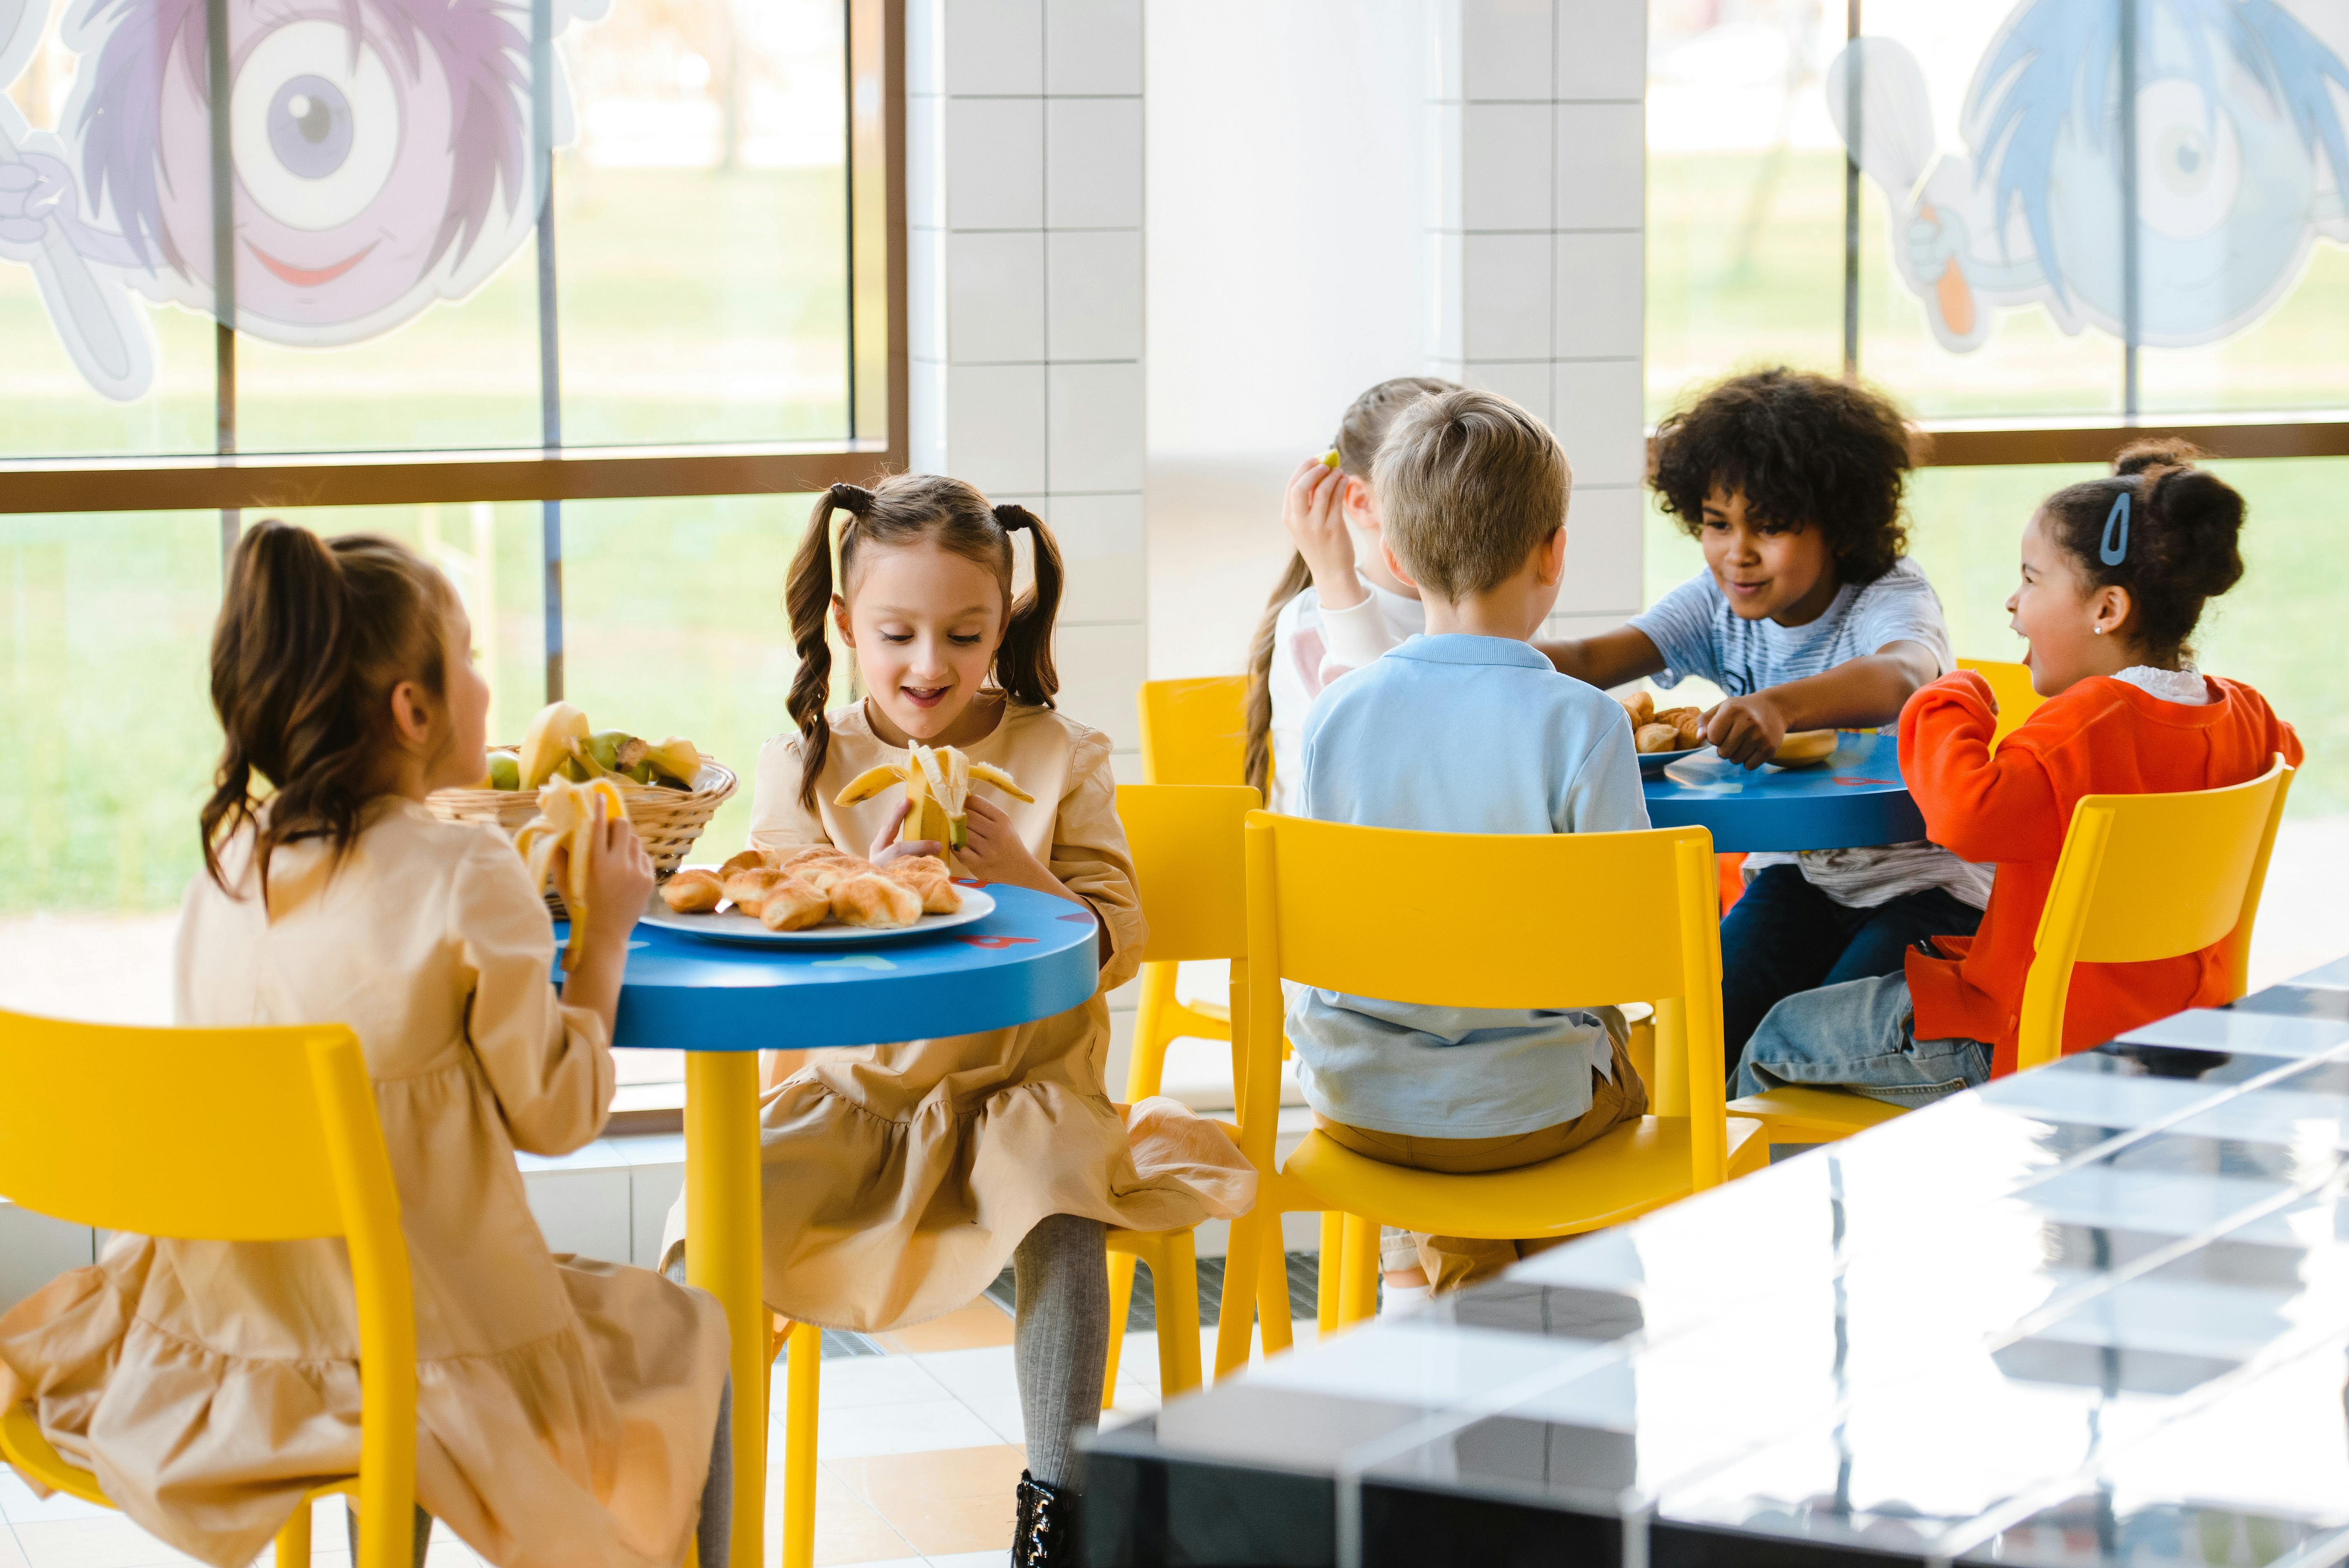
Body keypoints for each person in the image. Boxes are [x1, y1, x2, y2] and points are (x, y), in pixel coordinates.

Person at [0, 523, 733, 1568]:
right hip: (421, 1350)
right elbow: (559, 1114)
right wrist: (602, 935)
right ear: (414, 709)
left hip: (238, 1343)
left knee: (401, 1290)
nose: (486, 682)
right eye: (471, 656)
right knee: (689, 1333)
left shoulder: (225, 867)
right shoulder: (469, 875)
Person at [665, 477, 1254, 1566]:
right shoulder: (807, 761)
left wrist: (1025, 872)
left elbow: (1117, 938)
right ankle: (699, 1531)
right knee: (704, 1227)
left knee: (1065, 1211)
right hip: (859, 1101)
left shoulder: (1059, 754)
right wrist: (854, 881)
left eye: (963, 634)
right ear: (846, 627)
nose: (929, 665)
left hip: (1020, 1098)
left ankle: (1057, 1519)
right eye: (896, 634)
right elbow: (774, 954)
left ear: (1005, 629)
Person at [1735, 442, 2303, 1101]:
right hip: (2173, 1021)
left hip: (2026, 1031)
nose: (2012, 601)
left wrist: (1949, 697)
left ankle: (1733, 1205)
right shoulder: (2248, 713)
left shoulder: (2082, 725)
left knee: (1778, 1032)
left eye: (2031, 579)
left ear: (2107, 609)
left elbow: (1966, 816)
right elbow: (2282, 752)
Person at [1287, 388, 1650, 1305]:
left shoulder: (1338, 715)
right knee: (1591, 1066)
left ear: (1399, 559)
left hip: (1359, 1100)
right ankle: (1552, 1325)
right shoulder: (1585, 723)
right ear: (1553, 552)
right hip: (1531, 1113)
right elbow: (1635, 963)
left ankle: (1463, 1294)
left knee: (1477, 1066)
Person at [1537, 367, 1985, 1080]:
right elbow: (1592, 656)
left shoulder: (1887, 596)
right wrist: (1472, 655)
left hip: (1924, 891)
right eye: (1716, 524)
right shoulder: (1713, 604)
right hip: (1794, 880)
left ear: (1836, 524)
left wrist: (1780, 704)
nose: (1736, 552)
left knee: (1806, 1051)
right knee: (1701, 1040)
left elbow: (1903, 674)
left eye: (1769, 527)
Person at [1246, 375, 1458, 808]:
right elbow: (1389, 752)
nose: (1464, 500)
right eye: (1430, 478)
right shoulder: (1311, 622)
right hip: (1332, 864)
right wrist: (1334, 576)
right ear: (1362, 503)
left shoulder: (1498, 603)